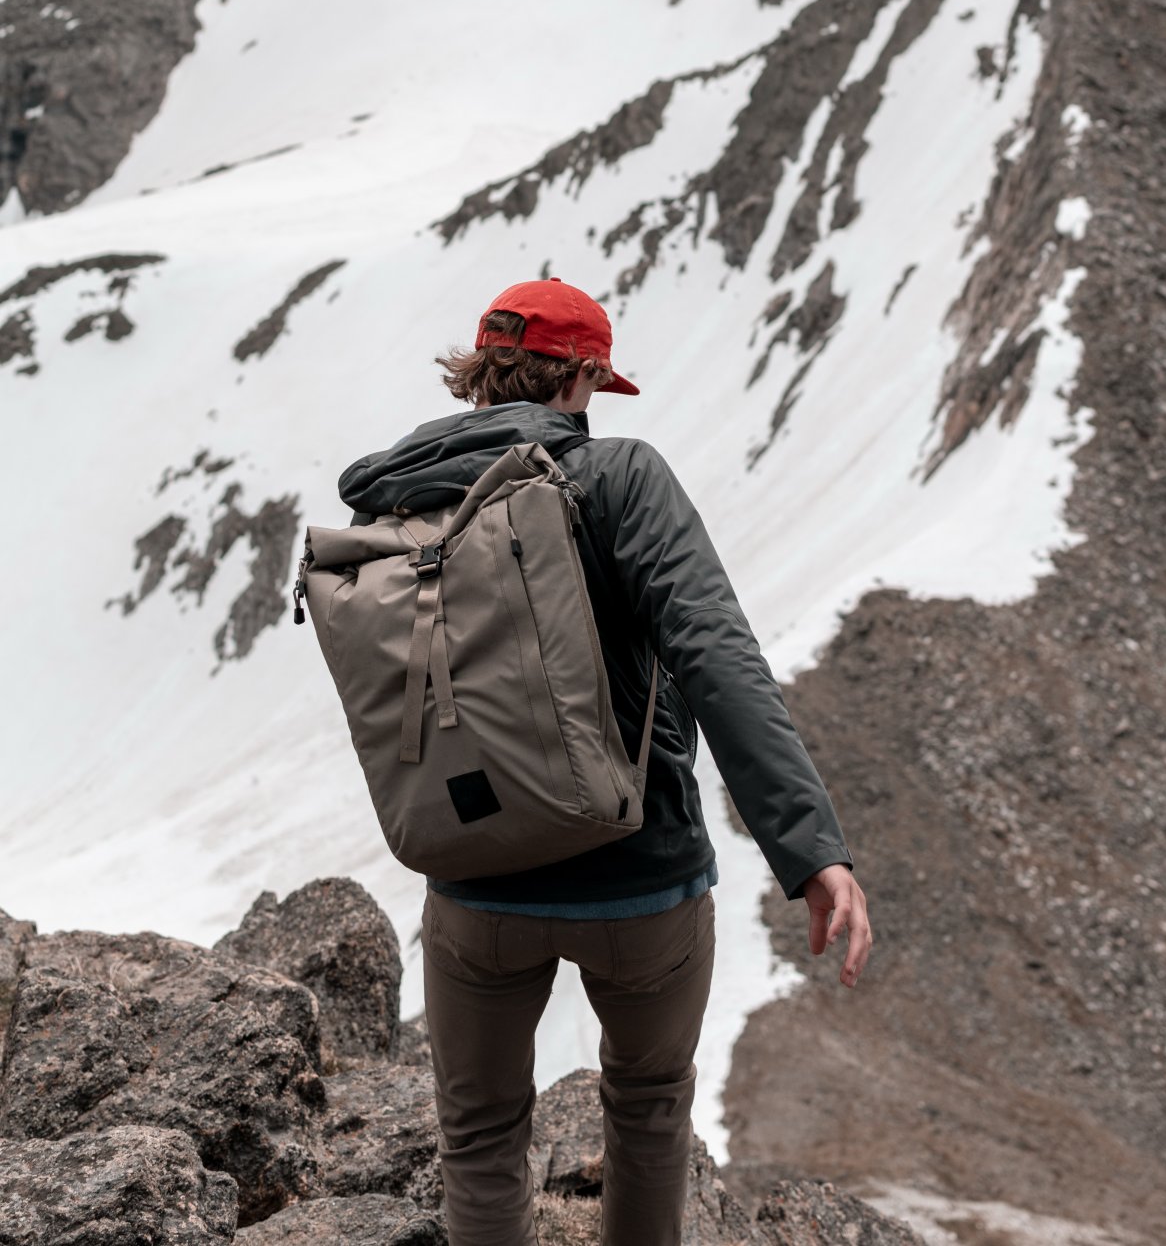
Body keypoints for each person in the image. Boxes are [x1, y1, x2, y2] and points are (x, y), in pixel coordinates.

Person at [339, 276, 871, 1246]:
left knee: (481, 1135)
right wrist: (811, 849)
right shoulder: (619, 476)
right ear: (580, 375)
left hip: (473, 878)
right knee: (650, 1107)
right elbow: (715, 655)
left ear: (483, 370)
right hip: (641, 876)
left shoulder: (397, 496)